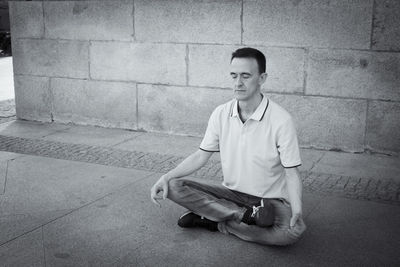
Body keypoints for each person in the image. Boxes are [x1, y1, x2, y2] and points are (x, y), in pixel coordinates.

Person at [150, 47, 306, 246]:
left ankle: (214, 220)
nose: (238, 83)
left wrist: (298, 210)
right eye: (234, 76)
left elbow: (292, 172)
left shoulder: (281, 120)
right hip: (232, 195)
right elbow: (200, 156)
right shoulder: (221, 113)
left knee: (291, 233)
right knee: (172, 186)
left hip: (270, 200)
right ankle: (242, 216)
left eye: (246, 76)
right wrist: (165, 177)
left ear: (262, 78)